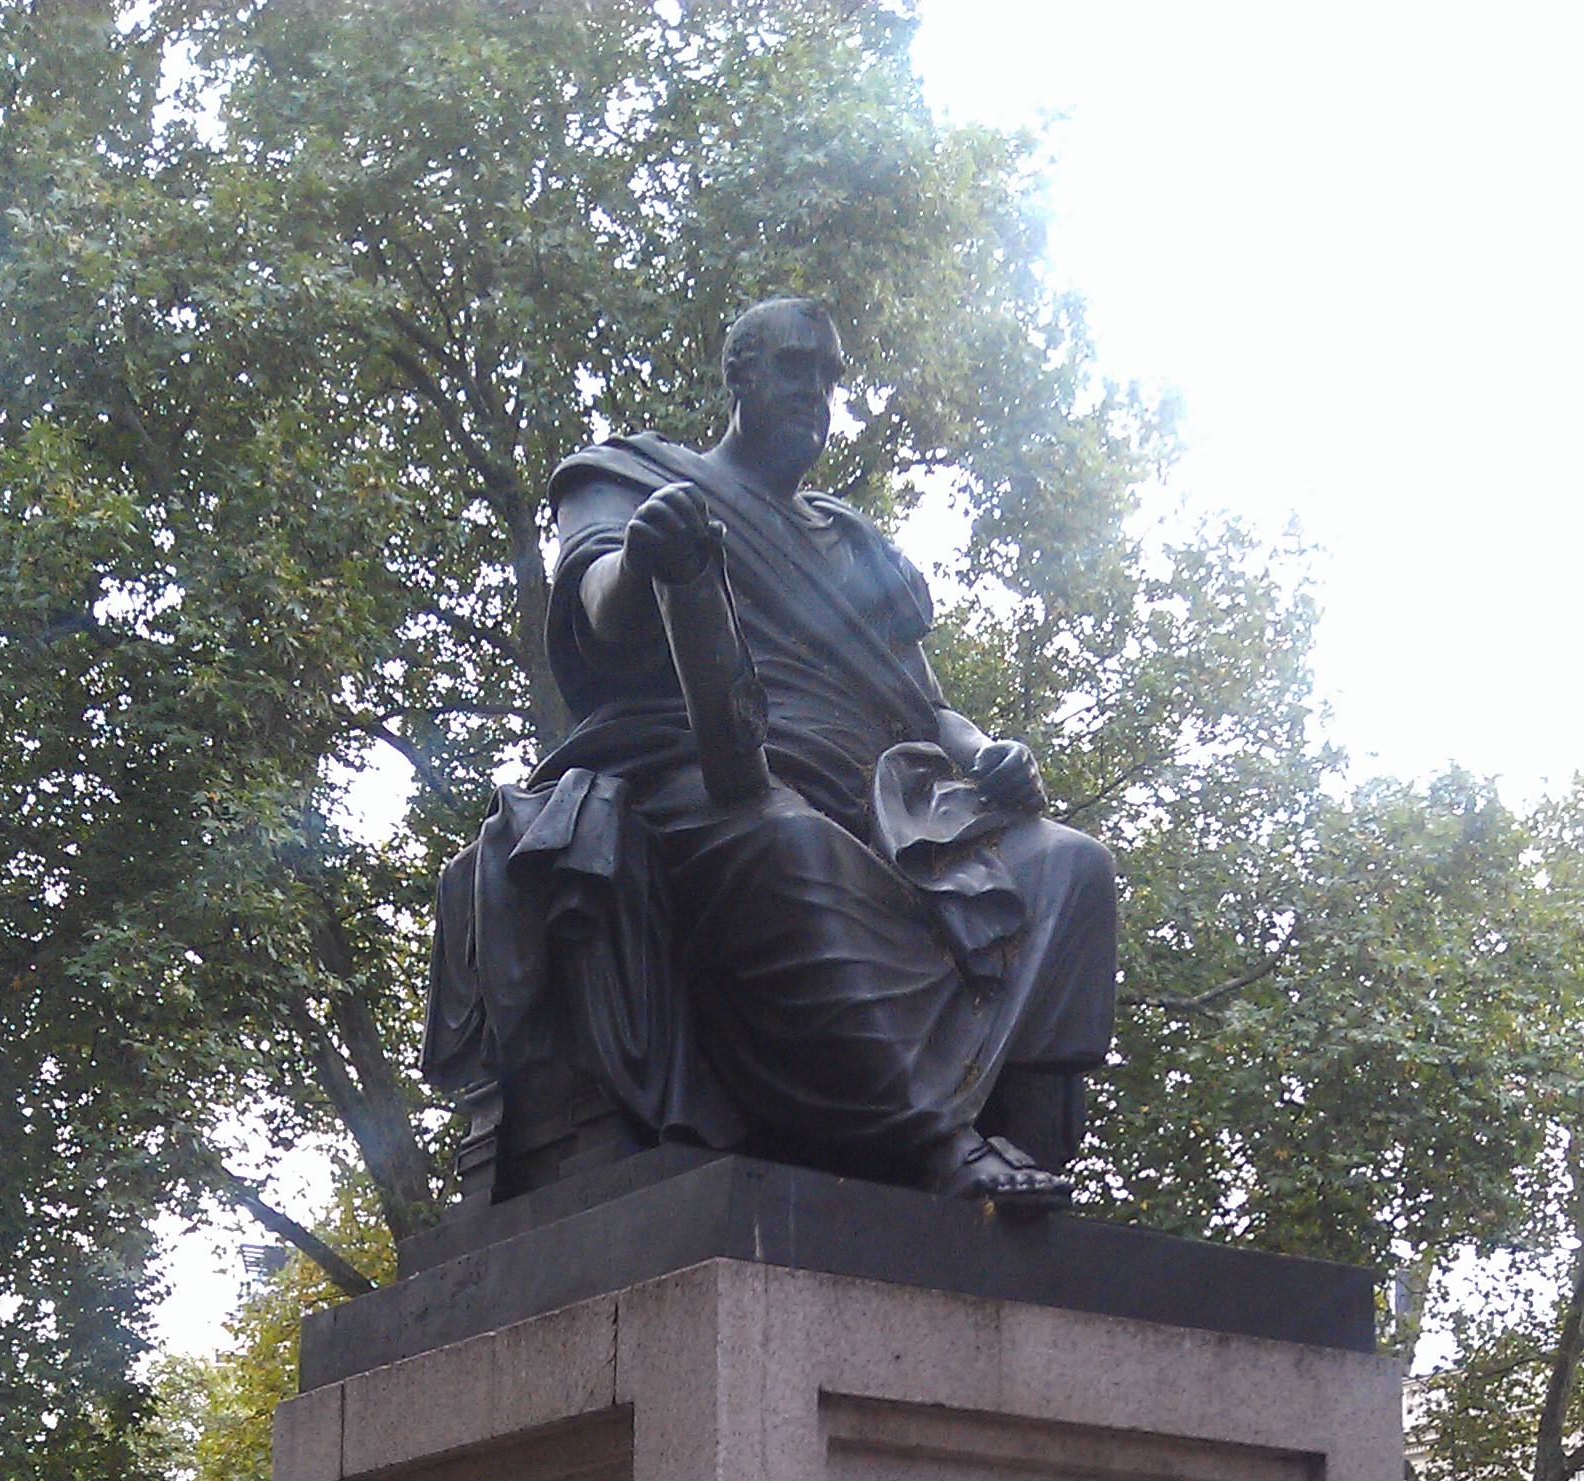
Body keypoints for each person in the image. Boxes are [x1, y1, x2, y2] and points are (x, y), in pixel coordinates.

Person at [427, 299, 1117, 1206]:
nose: (818, 395)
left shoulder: (856, 541)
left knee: (1069, 867)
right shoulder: (631, 476)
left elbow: (931, 709)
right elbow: (598, 601)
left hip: (892, 805)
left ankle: (1023, 1152)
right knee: (790, 845)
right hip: (708, 776)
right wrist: (647, 558)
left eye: (830, 378)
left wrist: (989, 750)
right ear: (740, 376)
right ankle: (934, 1141)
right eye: (797, 370)